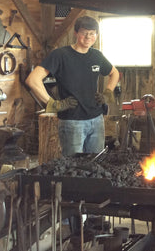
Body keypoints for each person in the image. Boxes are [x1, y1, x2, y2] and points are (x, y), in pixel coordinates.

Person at [26, 16, 120, 156]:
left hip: (96, 119)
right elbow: (32, 80)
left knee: (97, 164)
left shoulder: (97, 56)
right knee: (73, 167)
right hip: (72, 122)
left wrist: (107, 93)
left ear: (96, 35)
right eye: (84, 32)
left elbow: (115, 73)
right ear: (76, 33)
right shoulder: (60, 55)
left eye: (92, 33)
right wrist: (54, 104)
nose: (88, 37)